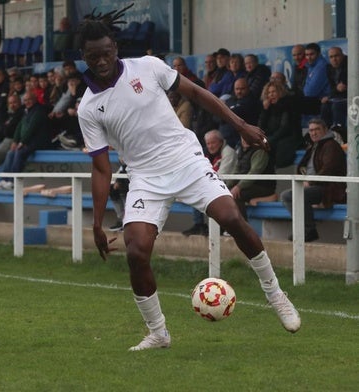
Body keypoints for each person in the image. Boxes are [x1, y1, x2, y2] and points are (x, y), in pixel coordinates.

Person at [75, 11, 301, 351]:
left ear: (115, 46)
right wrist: (96, 222)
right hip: (145, 177)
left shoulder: (147, 67)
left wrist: (241, 126)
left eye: (107, 51)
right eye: (94, 56)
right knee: (136, 252)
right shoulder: (88, 108)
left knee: (231, 217)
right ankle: (158, 333)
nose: (102, 59)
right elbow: (102, 168)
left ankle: (275, 294)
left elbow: (198, 94)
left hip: (186, 161)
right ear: (84, 57)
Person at [280, 118, 346, 242]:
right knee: (286, 196)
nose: (313, 133)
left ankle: (308, 230)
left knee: (291, 196)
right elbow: (303, 167)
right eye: (311, 130)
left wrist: (310, 182)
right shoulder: (314, 146)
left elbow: (329, 169)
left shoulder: (331, 146)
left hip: (329, 188)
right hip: (315, 186)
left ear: (325, 130)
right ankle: (303, 229)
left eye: (317, 129)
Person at [0, 91, 51, 190]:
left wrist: (22, 142)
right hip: (29, 141)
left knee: (19, 152)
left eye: (29, 100)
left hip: (39, 142)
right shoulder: (26, 111)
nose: (27, 102)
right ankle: (4, 180)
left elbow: (32, 129)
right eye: (25, 100)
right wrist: (15, 141)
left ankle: (13, 181)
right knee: (11, 153)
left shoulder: (38, 111)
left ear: (35, 100)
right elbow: (19, 127)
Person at [182, 130, 237, 236]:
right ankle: (199, 225)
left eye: (213, 143)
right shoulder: (205, 153)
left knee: (203, 192)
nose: (210, 146)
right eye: (208, 143)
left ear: (221, 142)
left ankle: (219, 228)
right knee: (196, 192)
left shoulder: (228, 152)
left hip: (229, 186)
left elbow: (222, 175)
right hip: (215, 184)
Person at [225, 136, 276, 221]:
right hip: (248, 186)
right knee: (224, 194)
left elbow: (254, 173)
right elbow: (236, 170)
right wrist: (226, 187)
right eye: (243, 137)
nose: (245, 140)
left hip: (263, 186)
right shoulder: (241, 151)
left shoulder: (260, 151)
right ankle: (227, 227)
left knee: (237, 195)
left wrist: (239, 186)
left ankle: (243, 228)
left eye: (248, 137)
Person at [258, 81, 302, 168]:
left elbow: (285, 128)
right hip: (274, 137)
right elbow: (261, 127)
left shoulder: (287, 105)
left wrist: (269, 140)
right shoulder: (268, 108)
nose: (271, 95)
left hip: (288, 137)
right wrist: (265, 110)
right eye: (269, 93)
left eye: (274, 92)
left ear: (280, 92)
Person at [218, 77, 261, 148]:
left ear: (248, 88)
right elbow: (215, 116)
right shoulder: (230, 100)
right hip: (224, 138)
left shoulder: (251, 101)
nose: (239, 91)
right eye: (237, 89)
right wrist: (224, 114)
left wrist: (223, 113)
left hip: (239, 139)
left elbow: (237, 112)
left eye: (242, 89)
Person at [320, 46, 347, 130]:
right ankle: (325, 130)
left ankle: (339, 132)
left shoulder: (349, 64)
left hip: (351, 96)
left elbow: (344, 86)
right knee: (325, 105)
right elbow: (334, 88)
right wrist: (329, 96)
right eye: (331, 57)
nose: (334, 59)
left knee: (336, 105)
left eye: (336, 56)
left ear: (342, 55)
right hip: (338, 96)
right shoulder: (329, 68)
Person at [108, 158, 129, 231]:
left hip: (131, 186)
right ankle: (121, 219)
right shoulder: (122, 166)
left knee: (123, 190)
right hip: (123, 185)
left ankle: (126, 221)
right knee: (112, 190)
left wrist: (119, 182)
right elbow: (120, 173)